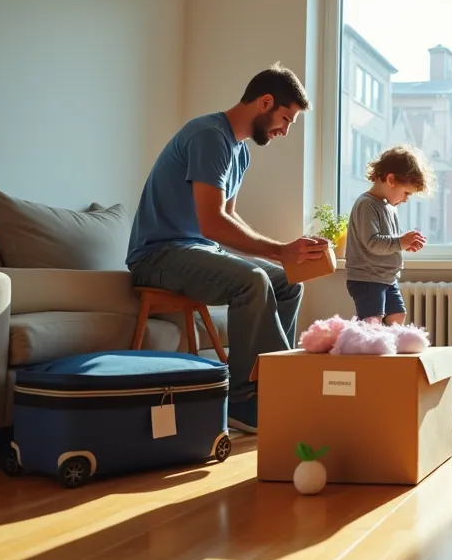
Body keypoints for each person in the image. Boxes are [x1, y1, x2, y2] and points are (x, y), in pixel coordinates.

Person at [126, 63, 330, 434]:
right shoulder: (208, 136)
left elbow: (226, 223)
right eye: (285, 119)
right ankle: (242, 399)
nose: (284, 131)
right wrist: (279, 248)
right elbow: (212, 223)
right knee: (252, 280)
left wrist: (284, 257)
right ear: (265, 102)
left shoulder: (241, 152)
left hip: (198, 252)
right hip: (158, 255)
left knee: (288, 281)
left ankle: (273, 385)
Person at [343, 145, 433, 324]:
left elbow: (390, 242)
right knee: (372, 322)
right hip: (367, 278)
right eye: (406, 193)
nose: (406, 199)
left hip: (387, 277)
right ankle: (370, 349)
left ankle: (390, 348)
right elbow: (373, 243)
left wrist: (405, 243)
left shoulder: (390, 207)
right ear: (391, 179)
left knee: (398, 315)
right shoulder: (366, 204)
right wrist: (400, 242)